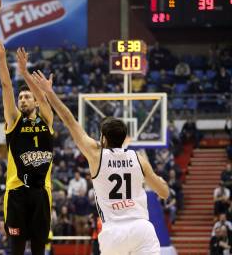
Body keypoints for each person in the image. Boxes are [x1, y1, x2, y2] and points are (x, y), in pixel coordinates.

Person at [32, 71, 169, 255]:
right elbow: (164, 193)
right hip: (142, 228)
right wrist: (161, 181)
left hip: (114, 232)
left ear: (103, 138)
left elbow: (69, 121)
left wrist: (49, 92)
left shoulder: (96, 155)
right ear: (124, 138)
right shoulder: (139, 159)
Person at [0, 38, 54, 255]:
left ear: (35, 101)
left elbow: (45, 99)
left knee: (38, 250)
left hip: (42, 192)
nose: (23, 100)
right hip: (16, 192)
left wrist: (26, 73)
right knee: (16, 248)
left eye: (27, 97)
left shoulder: (46, 120)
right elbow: (6, 86)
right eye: (21, 97)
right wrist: (1, 57)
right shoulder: (14, 121)